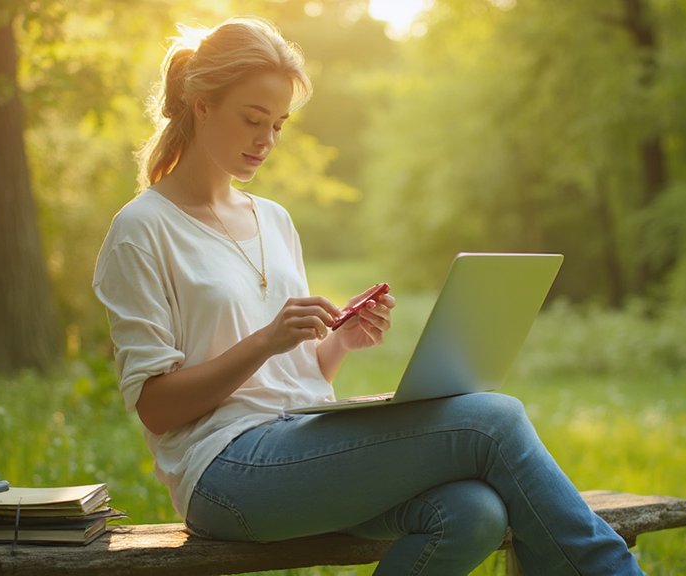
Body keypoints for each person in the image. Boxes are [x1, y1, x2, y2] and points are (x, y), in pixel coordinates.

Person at [93, 16, 644, 575]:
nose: (267, 141)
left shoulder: (275, 221)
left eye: (279, 124)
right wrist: (265, 341)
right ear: (201, 105)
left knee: (472, 512)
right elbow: (156, 407)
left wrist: (339, 345)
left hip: (302, 442)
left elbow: (294, 381)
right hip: (225, 472)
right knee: (491, 420)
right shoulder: (142, 229)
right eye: (253, 119)